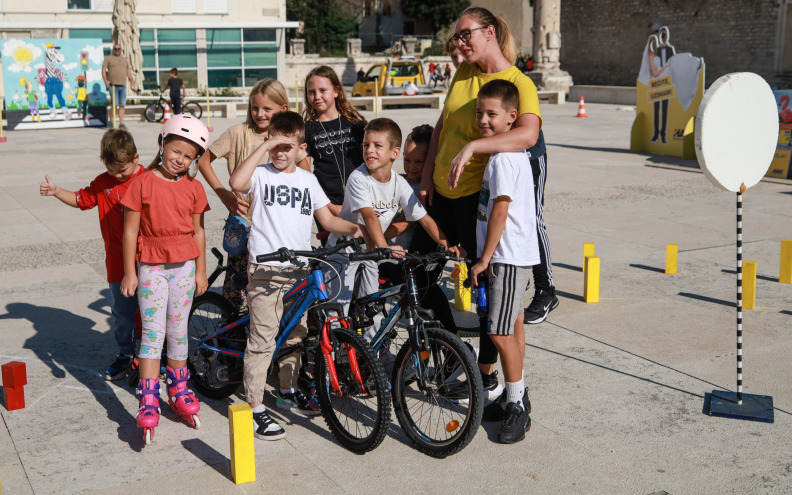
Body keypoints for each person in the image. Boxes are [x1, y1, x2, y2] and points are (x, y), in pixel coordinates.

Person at [414, 6, 551, 400]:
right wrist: (426, 176)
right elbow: (442, 124)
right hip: (441, 193)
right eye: (457, 37)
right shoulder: (464, 73)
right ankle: (456, 352)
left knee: (486, 295)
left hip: (474, 198)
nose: (459, 42)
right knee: (419, 276)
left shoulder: (517, 82)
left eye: (465, 34)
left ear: (488, 32)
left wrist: (476, 145)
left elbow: (526, 135)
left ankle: (487, 375)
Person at [229, 111, 360, 441]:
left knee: (295, 336)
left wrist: (362, 230)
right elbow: (236, 183)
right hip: (266, 272)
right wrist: (265, 145)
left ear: (302, 148)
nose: (280, 153)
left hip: (300, 269)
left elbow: (328, 221)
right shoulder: (260, 175)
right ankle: (255, 406)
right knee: (262, 340)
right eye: (275, 145)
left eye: (287, 146)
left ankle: (286, 391)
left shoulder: (307, 180)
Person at [325, 118, 461, 343]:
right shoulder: (359, 178)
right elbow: (369, 217)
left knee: (373, 310)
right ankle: (331, 366)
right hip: (344, 250)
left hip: (370, 254)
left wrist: (446, 246)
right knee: (337, 312)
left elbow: (424, 218)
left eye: (378, 146)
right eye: (366, 145)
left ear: (393, 152)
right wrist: (385, 247)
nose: (370, 150)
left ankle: (374, 358)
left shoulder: (398, 183)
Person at [120, 114, 210, 442]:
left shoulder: (195, 188)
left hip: (185, 266)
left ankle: (179, 388)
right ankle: (148, 396)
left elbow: (199, 231)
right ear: (163, 144)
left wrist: (200, 270)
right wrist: (130, 271)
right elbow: (130, 232)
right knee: (153, 333)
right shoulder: (141, 183)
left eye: (188, 156)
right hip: (152, 266)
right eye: (175, 151)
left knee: (178, 330)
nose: (180, 160)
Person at [39, 129, 145, 381]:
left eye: (123, 171)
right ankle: (125, 353)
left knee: (148, 311)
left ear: (136, 159)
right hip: (117, 263)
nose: (118, 176)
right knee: (121, 311)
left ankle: (149, 355)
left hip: (146, 260)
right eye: (112, 171)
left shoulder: (147, 179)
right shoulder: (102, 183)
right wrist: (56, 191)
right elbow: (81, 199)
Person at [469, 79, 536, 443]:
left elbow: (500, 209)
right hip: (511, 254)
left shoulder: (503, 159)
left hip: (506, 256)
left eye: (491, 114)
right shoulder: (503, 155)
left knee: (499, 331)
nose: (484, 120)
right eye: (480, 113)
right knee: (514, 325)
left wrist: (485, 258)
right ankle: (516, 395)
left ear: (512, 117)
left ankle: (517, 406)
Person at [198, 78, 301, 311]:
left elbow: (304, 172)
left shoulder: (288, 137)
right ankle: (232, 339)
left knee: (273, 293)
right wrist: (222, 193)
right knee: (238, 291)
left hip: (277, 229)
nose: (260, 114)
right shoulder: (237, 133)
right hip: (244, 228)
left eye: (267, 109)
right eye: (255, 108)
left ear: (283, 108)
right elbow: (203, 159)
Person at [299, 66, 367, 230]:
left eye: (323, 90)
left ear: (336, 91)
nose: (317, 97)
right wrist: (327, 206)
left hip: (361, 196)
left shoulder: (355, 122)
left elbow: (370, 159)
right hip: (326, 200)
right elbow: (306, 173)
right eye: (311, 92)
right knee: (334, 252)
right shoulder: (307, 128)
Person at [101, 43, 135, 129]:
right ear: (113, 49)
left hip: (123, 85)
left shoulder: (124, 60)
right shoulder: (108, 58)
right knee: (114, 104)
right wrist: (106, 81)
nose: (117, 50)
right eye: (115, 49)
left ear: (121, 49)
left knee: (122, 105)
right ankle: (111, 121)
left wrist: (132, 80)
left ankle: (121, 123)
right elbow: (103, 70)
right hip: (113, 86)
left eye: (118, 49)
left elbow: (127, 71)